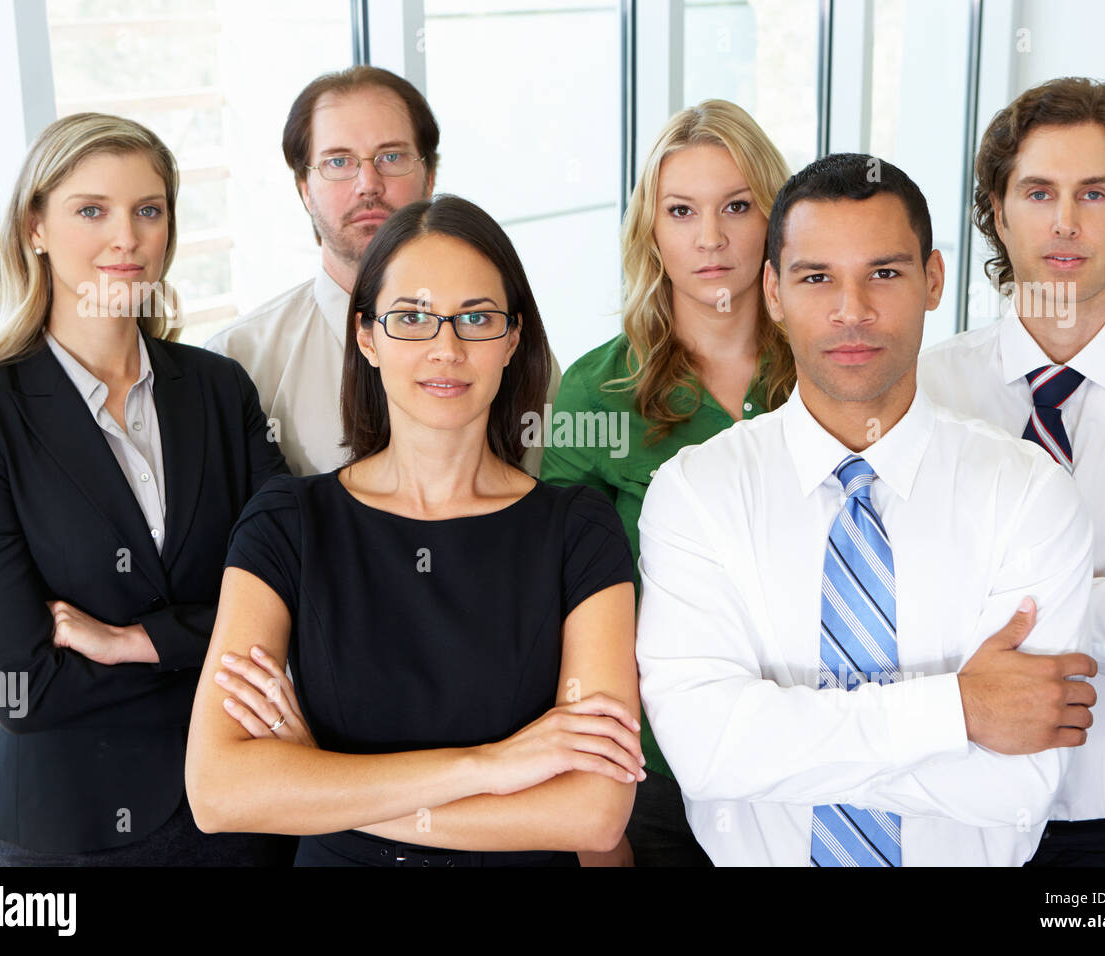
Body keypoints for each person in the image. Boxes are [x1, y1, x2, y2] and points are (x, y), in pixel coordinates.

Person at [636, 153, 1100, 866]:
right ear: (774, 291)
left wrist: (784, 745)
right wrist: (960, 711)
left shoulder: (1030, 497)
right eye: (817, 277)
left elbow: (1015, 789)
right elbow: (709, 753)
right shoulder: (695, 495)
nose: (852, 310)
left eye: (884, 273)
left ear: (933, 281)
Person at [185, 195, 642, 867]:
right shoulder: (286, 524)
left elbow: (592, 815)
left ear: (513, 339)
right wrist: (489, 766)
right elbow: (219, 792)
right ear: (366, 336)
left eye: (477, 318)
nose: (447, 349)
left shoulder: (578, 532)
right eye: (413, 319)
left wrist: (321, 781)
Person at [0, 113, 292, 865]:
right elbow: (19, 687)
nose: (126, 238)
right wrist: (210, 644)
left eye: (148, 211)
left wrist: (134, 642)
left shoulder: (221, 390)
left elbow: (296, 588)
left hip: (240, 809)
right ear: (35, 227)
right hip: (73, 834)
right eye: (92, 210)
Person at [919, 77, 1105, 866]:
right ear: (996, 208)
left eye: (1094, 192)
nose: (1063, 221)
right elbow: (896, 616)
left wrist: (1002, 613)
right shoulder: (921, 389)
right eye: (1037, 191)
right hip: (950, 821)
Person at [541, 99, 794, 866]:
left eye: (738, 207)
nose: (710, 238)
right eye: (682, 211)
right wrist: (596, 823)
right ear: (652, 229)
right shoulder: (598, 392)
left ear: (778, 220)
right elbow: (561, 610)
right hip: (654, 763)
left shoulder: (830, 368)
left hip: (811, 745)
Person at [206, 65, 559, 476]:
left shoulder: (509, 349)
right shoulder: (239, 363)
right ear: (304, 187)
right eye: (338, 161)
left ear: (430, 177)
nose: (367, 183)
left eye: (391, 157)